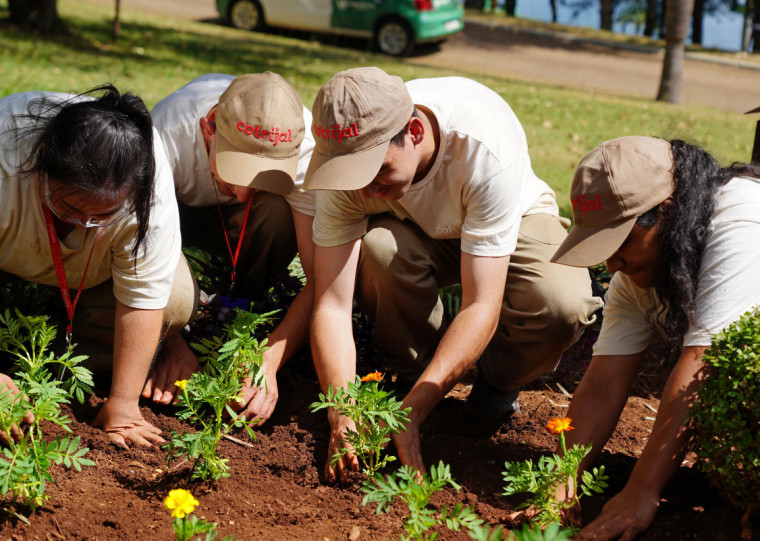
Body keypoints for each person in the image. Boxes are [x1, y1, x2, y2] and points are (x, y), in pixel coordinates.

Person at [303, 67, 602, 483]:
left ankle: (496, 388)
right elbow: (332, 304)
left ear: (414, 131)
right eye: (352, 176)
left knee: (559, 302)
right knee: (380, 251)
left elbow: (483, 302)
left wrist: (414, 415)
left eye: (376, 171)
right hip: (412, 222)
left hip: (505, 221)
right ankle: (410, 376)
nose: (364, 190)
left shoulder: (482, 149)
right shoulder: (348, 168)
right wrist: (343, 411)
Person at [550, 136, 760, 540]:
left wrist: (641, 490)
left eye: (621, 241)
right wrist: (559, 481)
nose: (612, 263)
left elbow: (703, 362)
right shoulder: (648, 264)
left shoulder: (740, 221)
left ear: (667, 211)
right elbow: (604, 381)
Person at [0, 85, 195, 448]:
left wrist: (123, 404)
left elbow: (146, 292)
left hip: (93, 273)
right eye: (70, 209)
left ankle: (65, 344)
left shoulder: (149, 179)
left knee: (176, 301)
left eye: (103, 215)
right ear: (41, 165)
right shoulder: (4, 162)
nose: (85, 225)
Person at [150, 73, 316, 421]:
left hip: (239, 223)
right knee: (176, 299)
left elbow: (324, 279)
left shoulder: (305, 146)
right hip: (177, 213)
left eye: (261, 178)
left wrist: (269, 360)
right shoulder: (163, 134)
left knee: (274, 210)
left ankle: (245, 306)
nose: (242, 193)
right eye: (232, 171)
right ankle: (190, 307)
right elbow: (134, 248)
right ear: (208, 128)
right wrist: (168, 343)